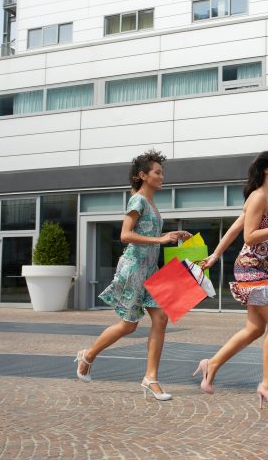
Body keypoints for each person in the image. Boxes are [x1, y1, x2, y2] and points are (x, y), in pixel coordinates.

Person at [74, 150, 190, 401]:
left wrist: (171, 236)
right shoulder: (137, 200)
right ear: (143, 175)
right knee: (129, 325)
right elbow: (125, 235)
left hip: (150, 269)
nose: (162, 176)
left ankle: (150, 378)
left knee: (161, 318)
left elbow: (149, 235)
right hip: (134, 269)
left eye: (162, 172)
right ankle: (88, 355)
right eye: (157, 172)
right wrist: (159, 239)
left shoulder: (151, 203)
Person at [194, 151, 268, 412]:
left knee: (255, 329)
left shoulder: (265, 197)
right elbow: (249, 236)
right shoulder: (258, 197)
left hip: (258, 269)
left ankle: (212, 364)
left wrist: (215, 255)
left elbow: (235, 228)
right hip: (250, 269)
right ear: (267, 170)